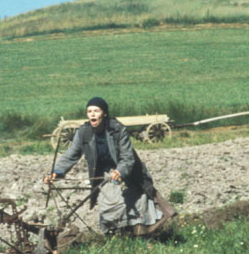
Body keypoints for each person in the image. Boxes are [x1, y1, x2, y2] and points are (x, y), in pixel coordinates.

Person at [44, 97, 176, 236]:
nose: (92, 114)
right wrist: (56, 172)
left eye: (96, 111)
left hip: (128, 171)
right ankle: (119, 236)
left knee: (136, 203)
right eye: (89, 111)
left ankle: (142, 235)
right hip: (105, 173)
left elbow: (128, 157)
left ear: (104, 113)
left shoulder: (117, 130)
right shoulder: (83, 132)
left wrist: (120, 171)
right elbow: (70, 155)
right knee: (108, 206)